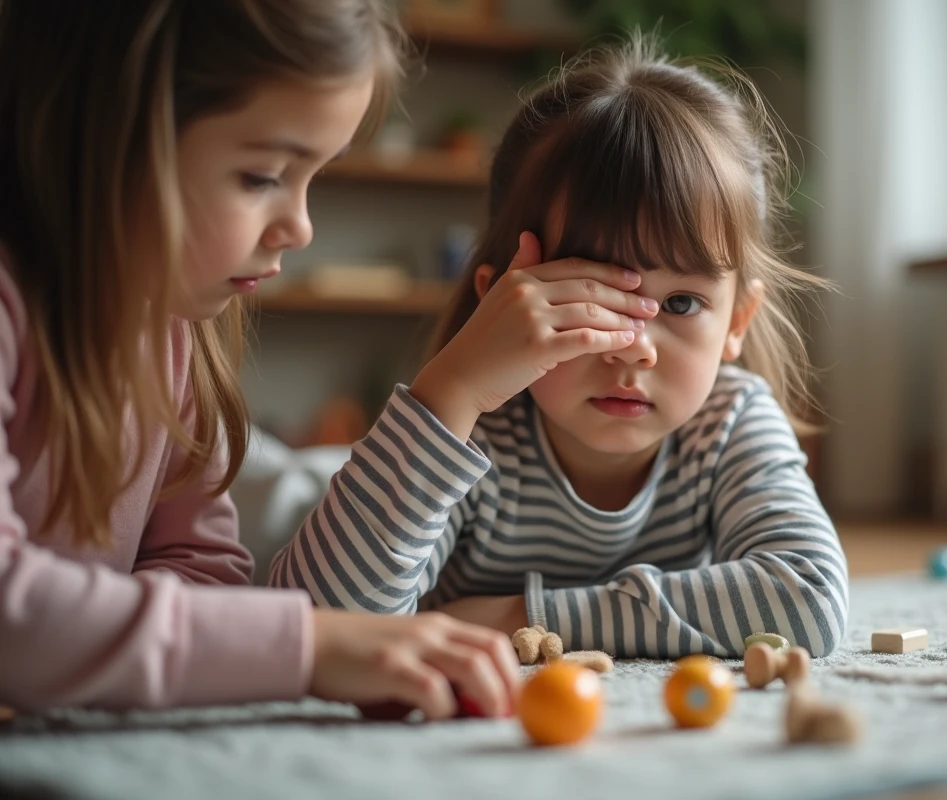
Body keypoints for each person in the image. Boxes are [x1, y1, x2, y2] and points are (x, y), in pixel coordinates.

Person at [0, 0, 649, 718]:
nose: (300, 227)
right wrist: (311, 648)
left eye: (314, 178)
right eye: (260, 176)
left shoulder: (173, 333)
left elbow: (203, 583)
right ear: (100, 133)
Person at [270, 35, 848, 659]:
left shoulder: (731, 422)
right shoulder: (472, 437)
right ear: (502, 310)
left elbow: (808, 599)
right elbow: (318, 626)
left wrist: (525, 617)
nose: (632, 349)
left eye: (680, 304)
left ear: (737, 321)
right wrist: (455, 387)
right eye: (587, 297)